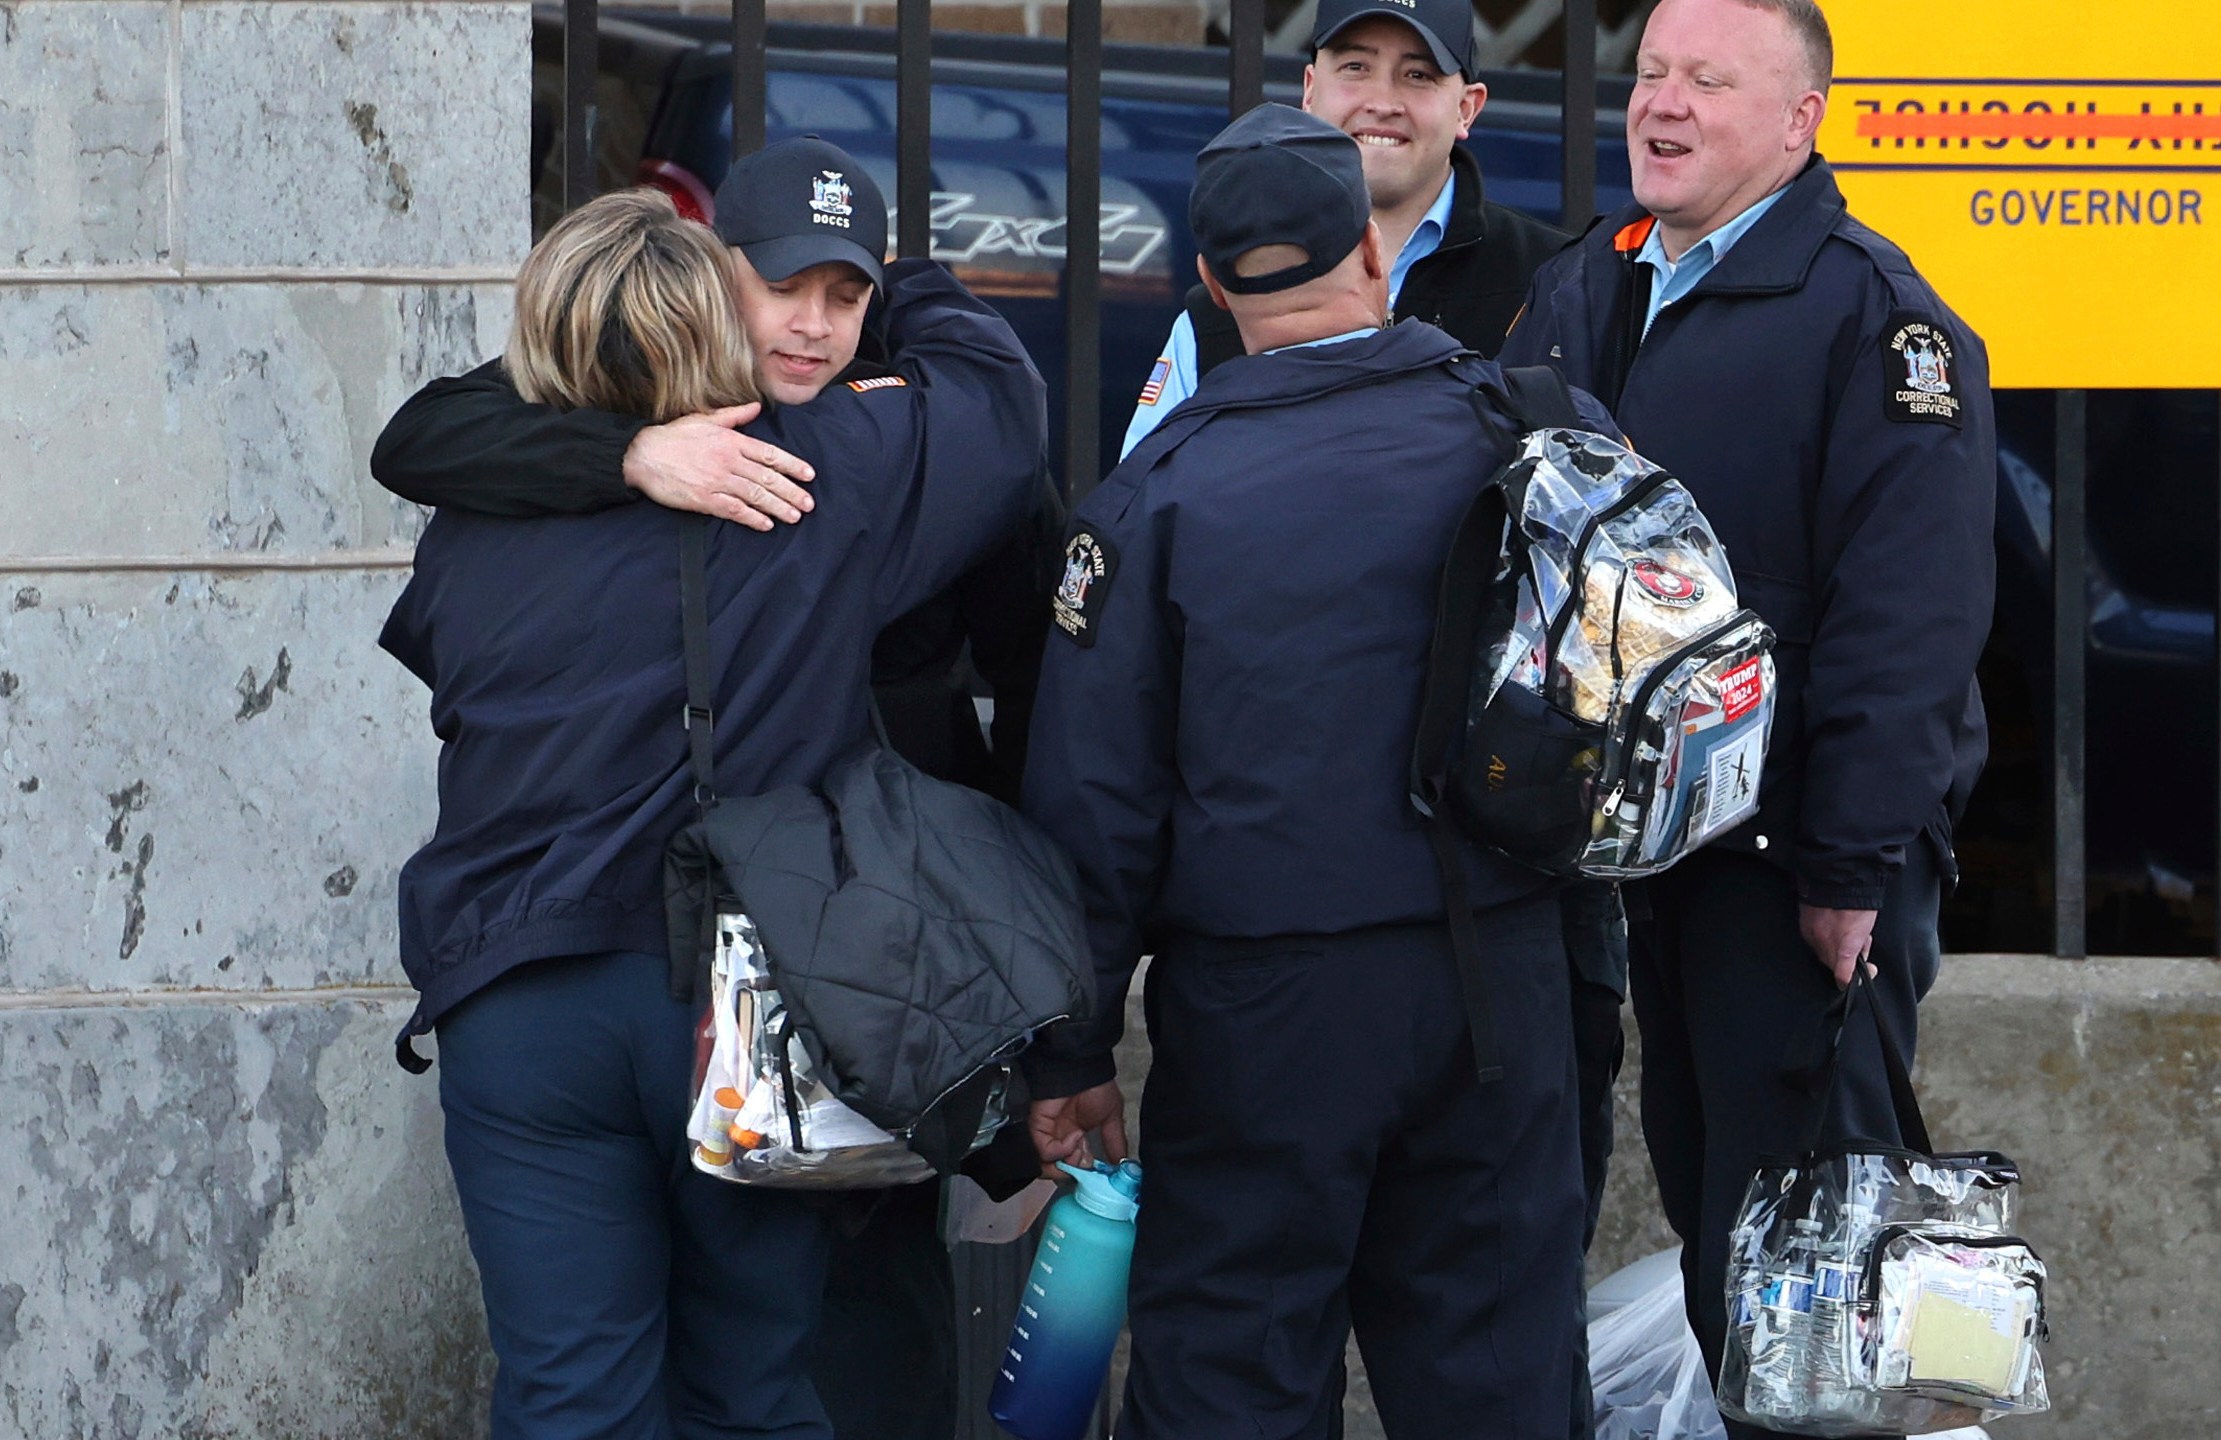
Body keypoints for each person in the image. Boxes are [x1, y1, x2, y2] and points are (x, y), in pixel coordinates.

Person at [373, 138, 1054, 1440]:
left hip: (516, 1002)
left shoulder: (475, 517)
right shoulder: (825, 470)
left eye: (840, 293)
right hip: (725, 1015)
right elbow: (1001, 404)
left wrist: (609, 456)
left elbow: (432, 551)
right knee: (756, 1388)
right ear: (712, 294)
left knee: (570, 1396)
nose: (810, 324)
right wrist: (905, 280)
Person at [1021, 103, 1616, 1440]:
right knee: (1499, 1379)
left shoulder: (1157, 497)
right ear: (1368, 242)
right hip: (1502, 974)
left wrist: (1068, 1048)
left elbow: (1091, 804)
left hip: (1266, 1008)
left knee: (1233, 1372)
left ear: (1215, 282)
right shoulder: (1526, 422)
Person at [1498, 2, 1996, 1432]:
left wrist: (1846, 870)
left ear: (1799, 123)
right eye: (1652, 71)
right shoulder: (1592, 277)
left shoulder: (1875, 319)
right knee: (1730, 1246)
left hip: (1790, 878)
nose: (1662, 103)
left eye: (1708, 81)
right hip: (1647, 859)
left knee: (1812, 1284)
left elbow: (1909, 625)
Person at [1117, 0, 1567, 459]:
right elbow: (1142, 500)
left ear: (1467, 109)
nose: (1383, 103)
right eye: (1355, 67)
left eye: (1417, 75)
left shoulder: (1556, 279)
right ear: (1310, 89)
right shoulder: (1216, 306)